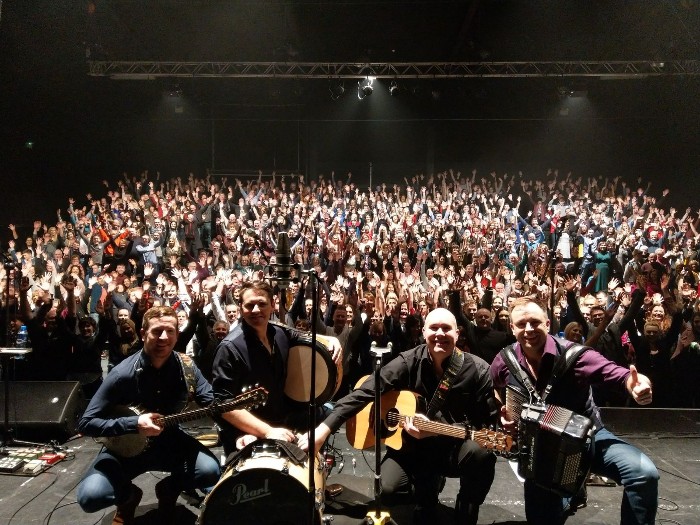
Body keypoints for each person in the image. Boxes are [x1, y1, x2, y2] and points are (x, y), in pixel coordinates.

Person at [299, 308, 498, 525]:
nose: (439, 333)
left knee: (481, 455)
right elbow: (364, 392)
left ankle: (466, 507)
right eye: (433, 328)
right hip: (411, 447)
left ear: (457, 334)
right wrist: (323, 429)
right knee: (386, 489)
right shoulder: (409, 361)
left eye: (446, 328)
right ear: (423, 332)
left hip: (453, 447)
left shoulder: (478, 370)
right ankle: (425, 491)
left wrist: (437, 429)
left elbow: (486, 424)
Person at [489, 298, 659, 525]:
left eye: (535, 322)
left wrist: (637, 385)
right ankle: (570, 492)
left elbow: (620, 375)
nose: (529, 329)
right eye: (521, 324)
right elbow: (494, 388)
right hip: (539, 448)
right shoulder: (505, 360)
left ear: (548, 324)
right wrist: (506, 415)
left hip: (589, 439)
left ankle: (570, 489)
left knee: (643, 473)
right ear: (512, 327)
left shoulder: (576, 356)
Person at [76, 306, 221, 525]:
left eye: (170, 331)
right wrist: (134, 424)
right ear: (143, 333)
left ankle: (169, 490)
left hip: (170, 443)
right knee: (90, 496)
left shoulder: (188, 368)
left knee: (210, 471)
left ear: (177, 333)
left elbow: (214, 403)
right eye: (157, 331)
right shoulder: (122, 374)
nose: (164, 337)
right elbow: (86, 423)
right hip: (125, 450)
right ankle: (128, 499)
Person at [211, 280, 343, 456]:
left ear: (273, 304)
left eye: (262, 304)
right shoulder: (229, 348)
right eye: (250, 305)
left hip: (281, 419)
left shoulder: (278, 332)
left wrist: (330, 340)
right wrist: (267, 431)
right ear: (241, 307)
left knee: (328, 412)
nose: (256, 310)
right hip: (246, 432)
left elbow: (301, 335)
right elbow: (223, 405)